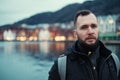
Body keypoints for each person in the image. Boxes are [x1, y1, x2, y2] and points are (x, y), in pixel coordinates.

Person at [48, 10, 120, 80]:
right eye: (84, 27)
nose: (90, 31)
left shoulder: (113, 60)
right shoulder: (61, 66)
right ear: (75, 34)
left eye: (94, 26)